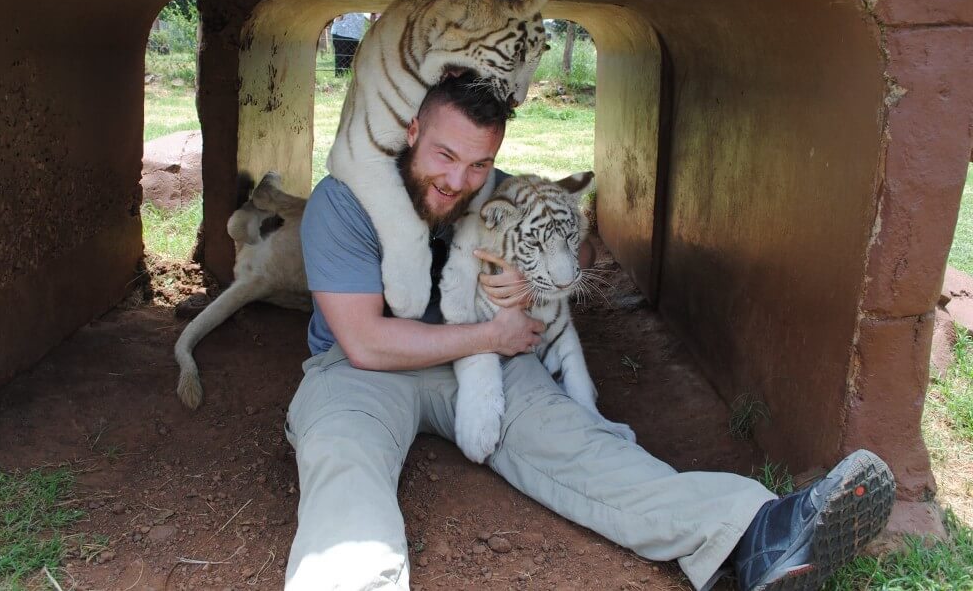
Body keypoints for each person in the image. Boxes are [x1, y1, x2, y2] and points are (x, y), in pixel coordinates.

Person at [283, 72, 895, 591]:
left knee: (581, 443)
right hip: (365, 369)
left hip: (483, 361)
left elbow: (581, 256)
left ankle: (756, 534)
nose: (457, 180)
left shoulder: (498, 193)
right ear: (413, 133)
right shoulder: (347, 200)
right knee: (343, 456)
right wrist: (492, 336)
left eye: (478, 163)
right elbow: (365, 340)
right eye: (444, 155)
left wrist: (530, 285)